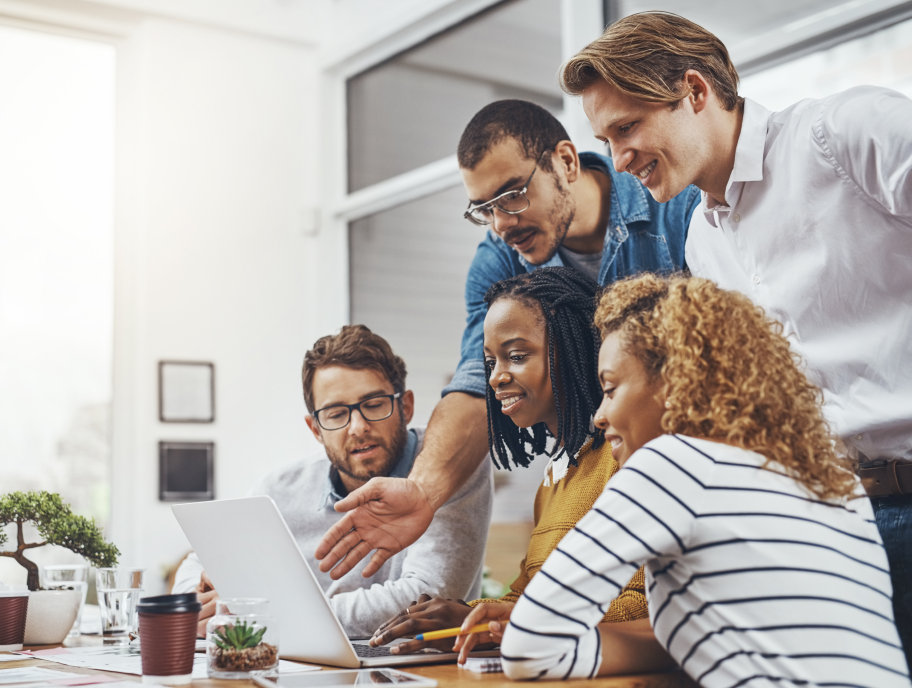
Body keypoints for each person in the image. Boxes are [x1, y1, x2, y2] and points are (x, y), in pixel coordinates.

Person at [560, 10, 912, 666]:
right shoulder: (701, 239)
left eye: (627, 127)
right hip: (848, 531)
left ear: (695, 92)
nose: (619, 158)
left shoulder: (845, 134)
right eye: (605, 139)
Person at [455, 273, 910, 686]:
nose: (599, 414)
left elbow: (528, 648)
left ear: (675, 383)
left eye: (611, 388)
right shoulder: (832, 480)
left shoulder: (668, 465)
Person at [316, 100, 700, 581]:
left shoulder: (679, 211)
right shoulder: (498, 261)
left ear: (565, 161)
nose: (501, 223)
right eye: (483, 208)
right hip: (602, 481)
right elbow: (476, 382)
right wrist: (424, 490)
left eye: (512, 194)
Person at [368, 267, 649, 657]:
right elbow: (528, 594)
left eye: (516, 356)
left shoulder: (625, 458)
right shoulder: (555, 476)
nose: (497, 377)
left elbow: (643, 605)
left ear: (573, 348)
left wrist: (511, 619)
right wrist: (461, 617)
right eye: (490, 362)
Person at [172, 325, 492, 637]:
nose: (357, 427)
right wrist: (208, 598)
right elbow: (196, 564)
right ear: (315, 429)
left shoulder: (451, 467)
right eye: (336, 414)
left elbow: (429, 597)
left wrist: (265, 612)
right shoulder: (278, 489)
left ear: (404, 406)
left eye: (374, 404)